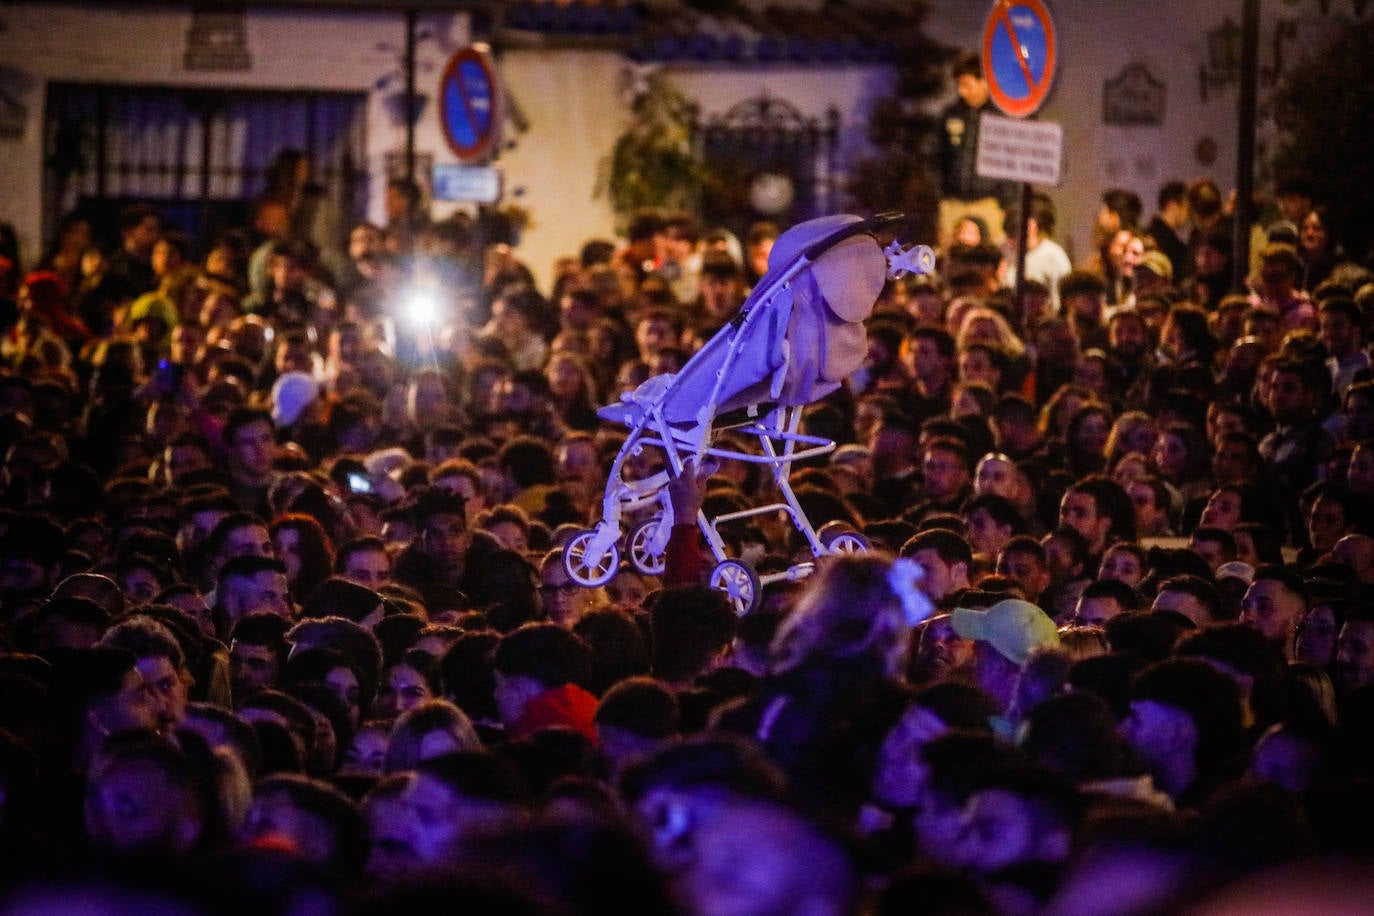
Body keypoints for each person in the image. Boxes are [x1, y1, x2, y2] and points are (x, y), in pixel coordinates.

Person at [939, 52, 1014, 249]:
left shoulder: (1001, 117)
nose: (962, 91)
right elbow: (939, 158)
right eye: (959, 85)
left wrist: (1006, 202)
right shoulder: (951, 114)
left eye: (967, 84)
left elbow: (1009, 161)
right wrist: (941, 196)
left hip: (988, 203)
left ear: (984, 83)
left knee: (990, 251)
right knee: (949, 254)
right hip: (953, 202)